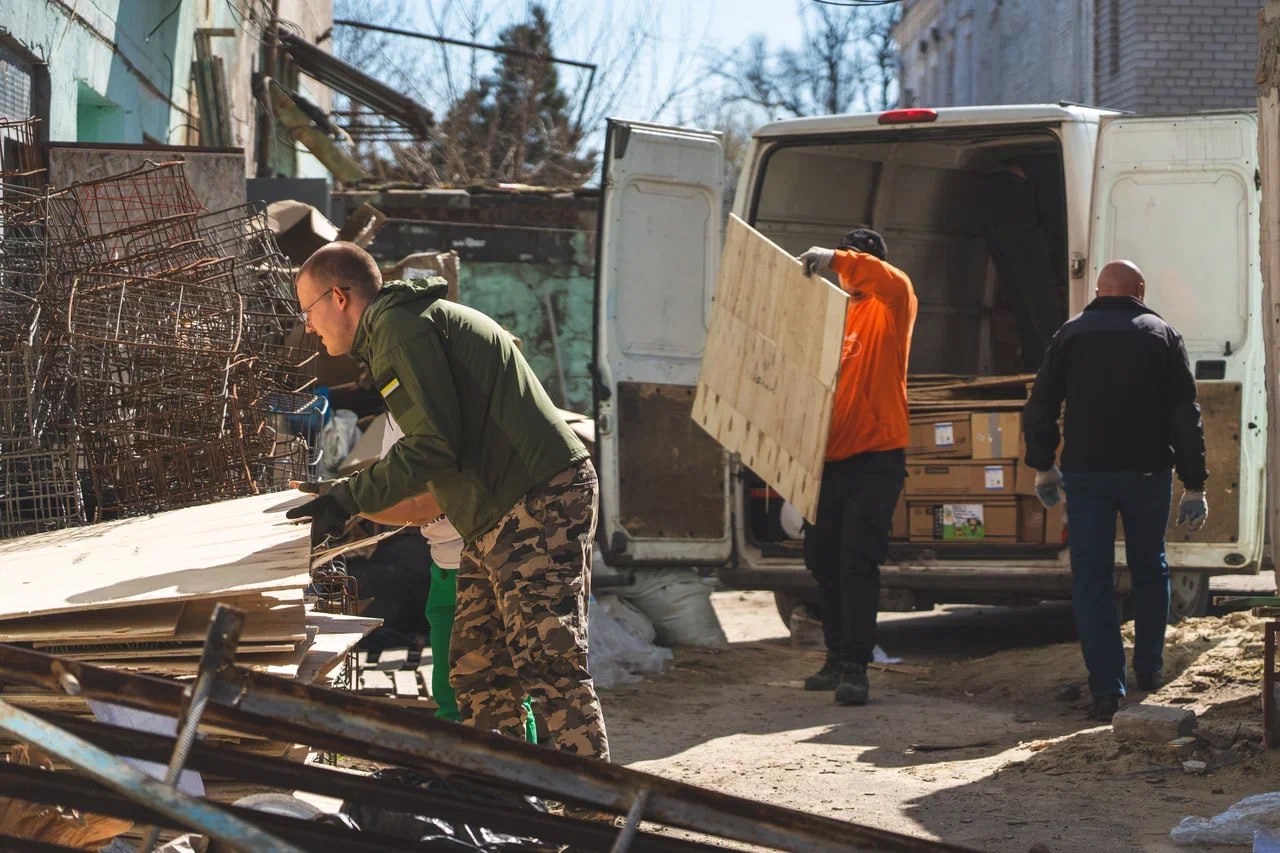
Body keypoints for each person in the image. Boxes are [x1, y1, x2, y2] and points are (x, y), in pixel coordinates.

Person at [287, 241, 608, 759]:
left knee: (548, 664)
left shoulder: (399, 330)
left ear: (339, 297)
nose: (308, 326)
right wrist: (337, 499)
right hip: (494, 512)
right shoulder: (398, 328)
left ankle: (595, 802)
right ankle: (503, 796)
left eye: (309, 309)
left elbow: (432, 446)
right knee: (477, 670)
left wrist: (344, 501)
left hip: (537, 499)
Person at [1023, 259, 1208, 722]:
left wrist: (1043, 465)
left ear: (1098, 291)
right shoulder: (1162, 335)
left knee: (1092, 579)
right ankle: (1149, 668)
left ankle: (1106, 690)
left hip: (1087, 476)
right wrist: (1195, 482)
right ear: (1140, 291)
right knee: (1150, 568)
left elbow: (1041, 405)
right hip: (1148, 474)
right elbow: (1186, 414)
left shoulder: (1069, 334)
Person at [796, 226, 918, 706]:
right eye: (846, 259)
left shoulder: (892, 304)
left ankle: (855, 666)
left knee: (857, 562)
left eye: (855, 259)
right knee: (822, 559)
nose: (848, 268)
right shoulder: (836, 314)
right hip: (829, 460)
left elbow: (888, 279)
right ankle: (834, 655)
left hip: (876, 459)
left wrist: (834, 257)